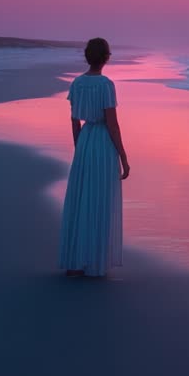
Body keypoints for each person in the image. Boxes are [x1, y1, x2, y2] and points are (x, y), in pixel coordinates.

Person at [59, 37, 130, 277]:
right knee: (99, 199)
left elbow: (74, 120)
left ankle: (75, 260)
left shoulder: (77, 84)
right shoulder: (105, 85)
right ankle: (94, 261)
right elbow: (113, 125)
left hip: (86, 140)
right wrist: (123, 156)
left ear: (88, 57)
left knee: (81, 199)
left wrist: (79, 147)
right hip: (102, 143)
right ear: (106, 58)